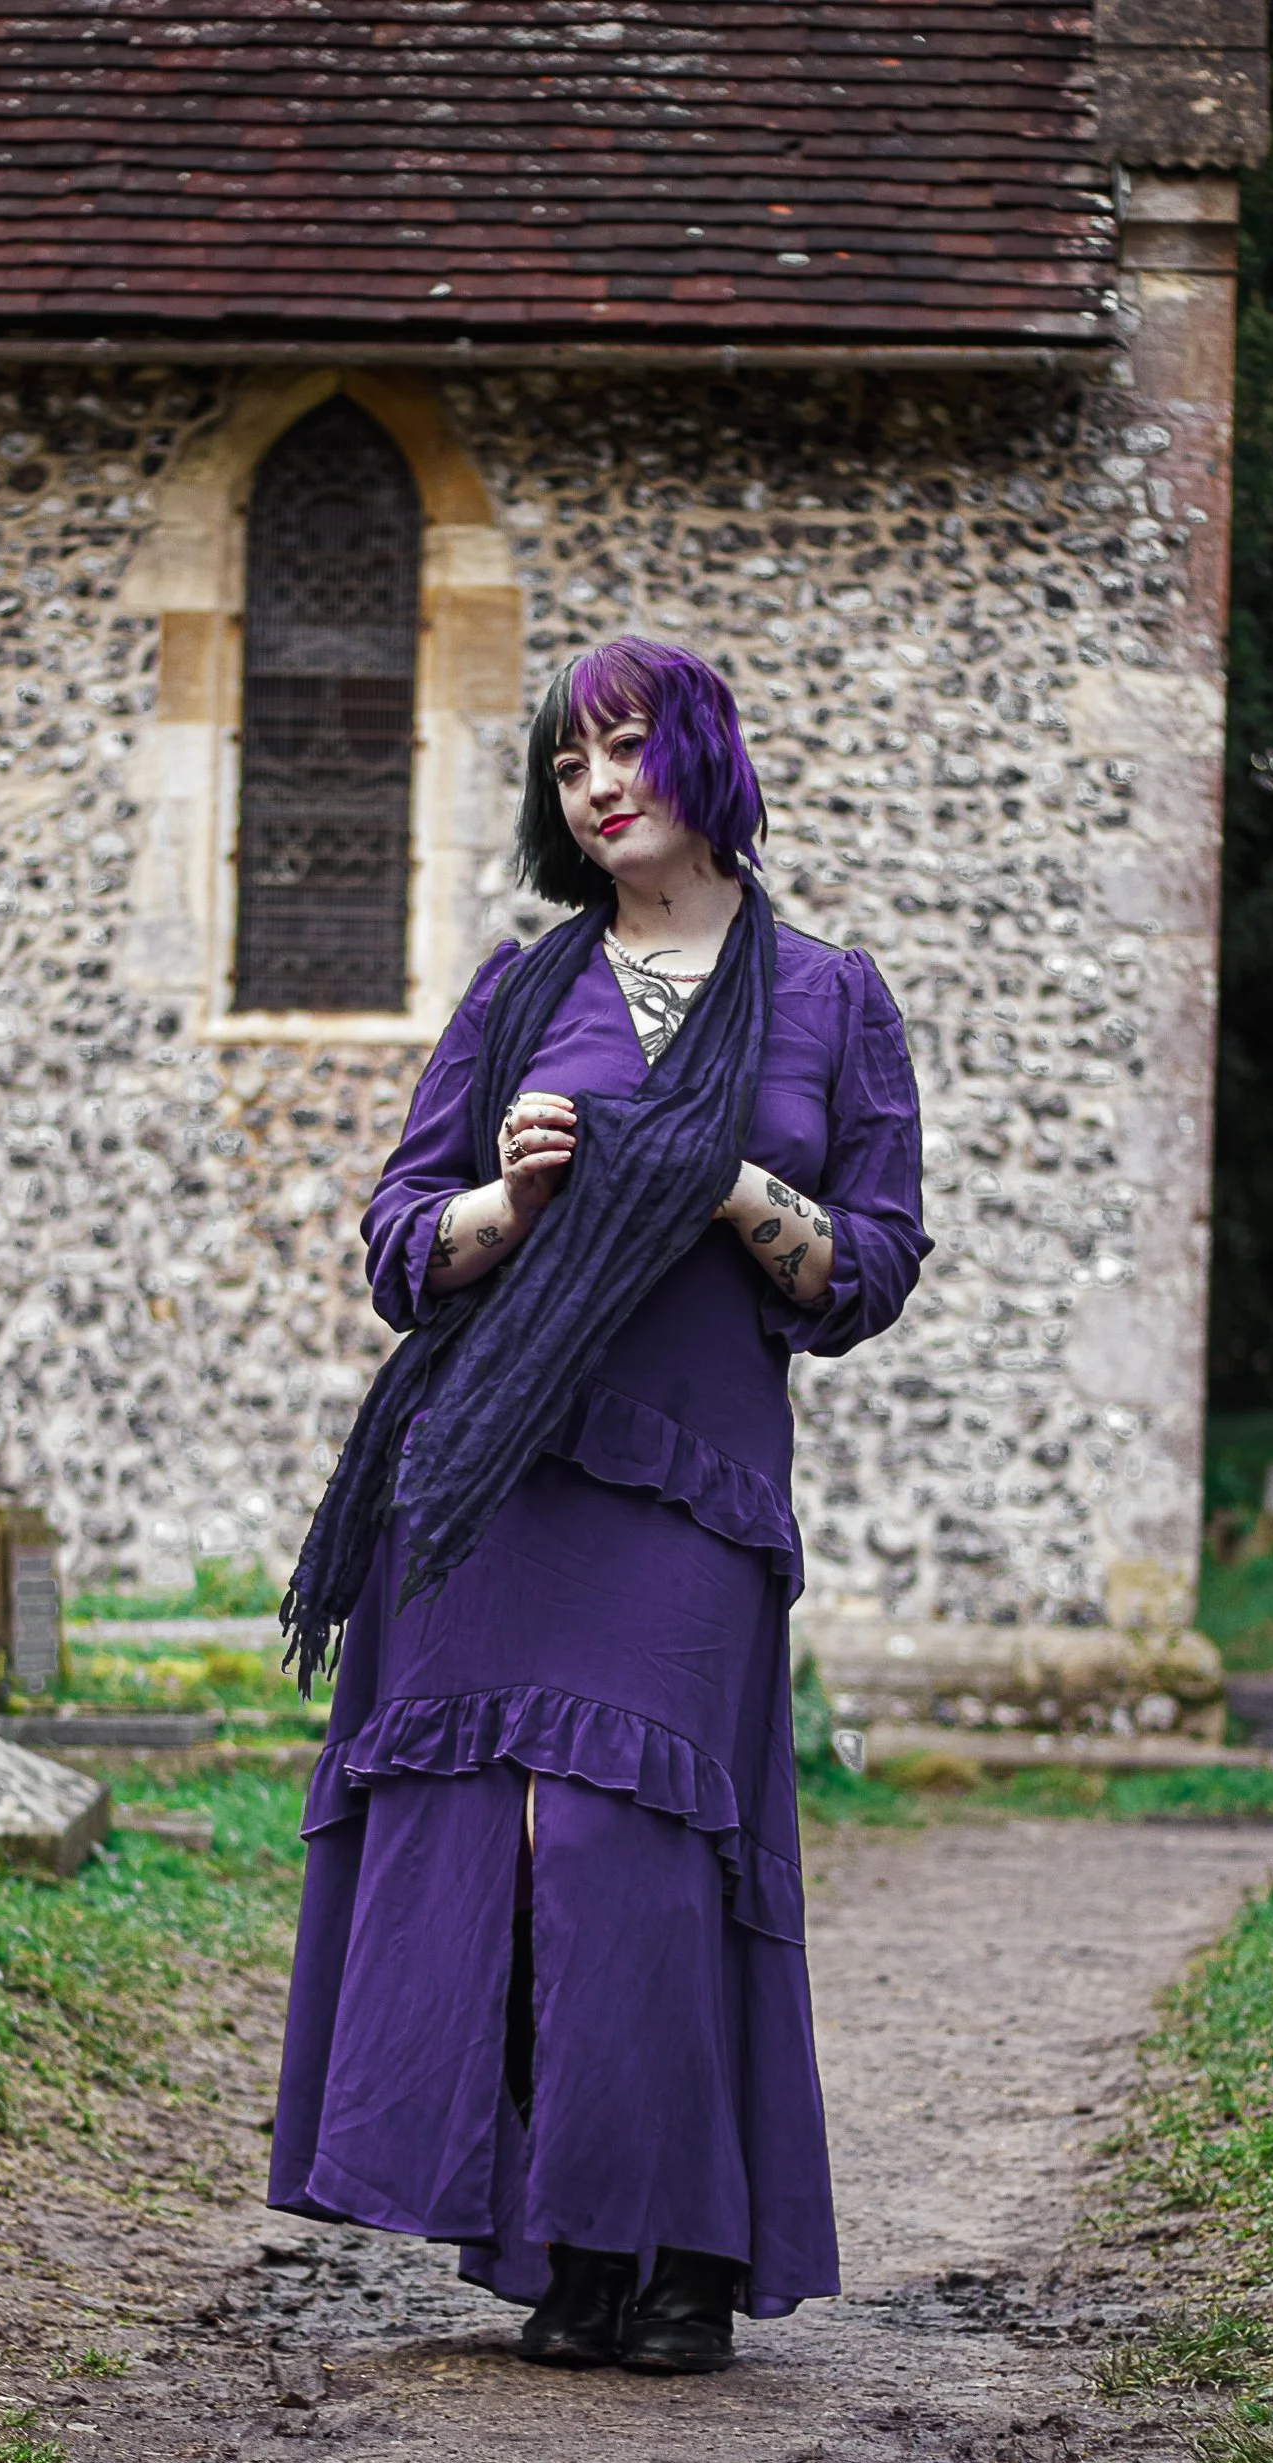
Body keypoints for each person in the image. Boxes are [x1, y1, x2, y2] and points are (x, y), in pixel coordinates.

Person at [270, 635, 929, 2373]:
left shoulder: (832, 1000)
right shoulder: (516, 990)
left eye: (627, 748)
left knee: (639, 1844)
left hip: (689, 1492)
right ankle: (561, 2244)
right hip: (489, 1483)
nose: (598, 785)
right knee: (511, 1847)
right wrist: (510, 1198)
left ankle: (689, 2249)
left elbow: (867, 1271)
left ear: (702, 754)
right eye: (572, 766)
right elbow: (403, 1238)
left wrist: (730, 1188)